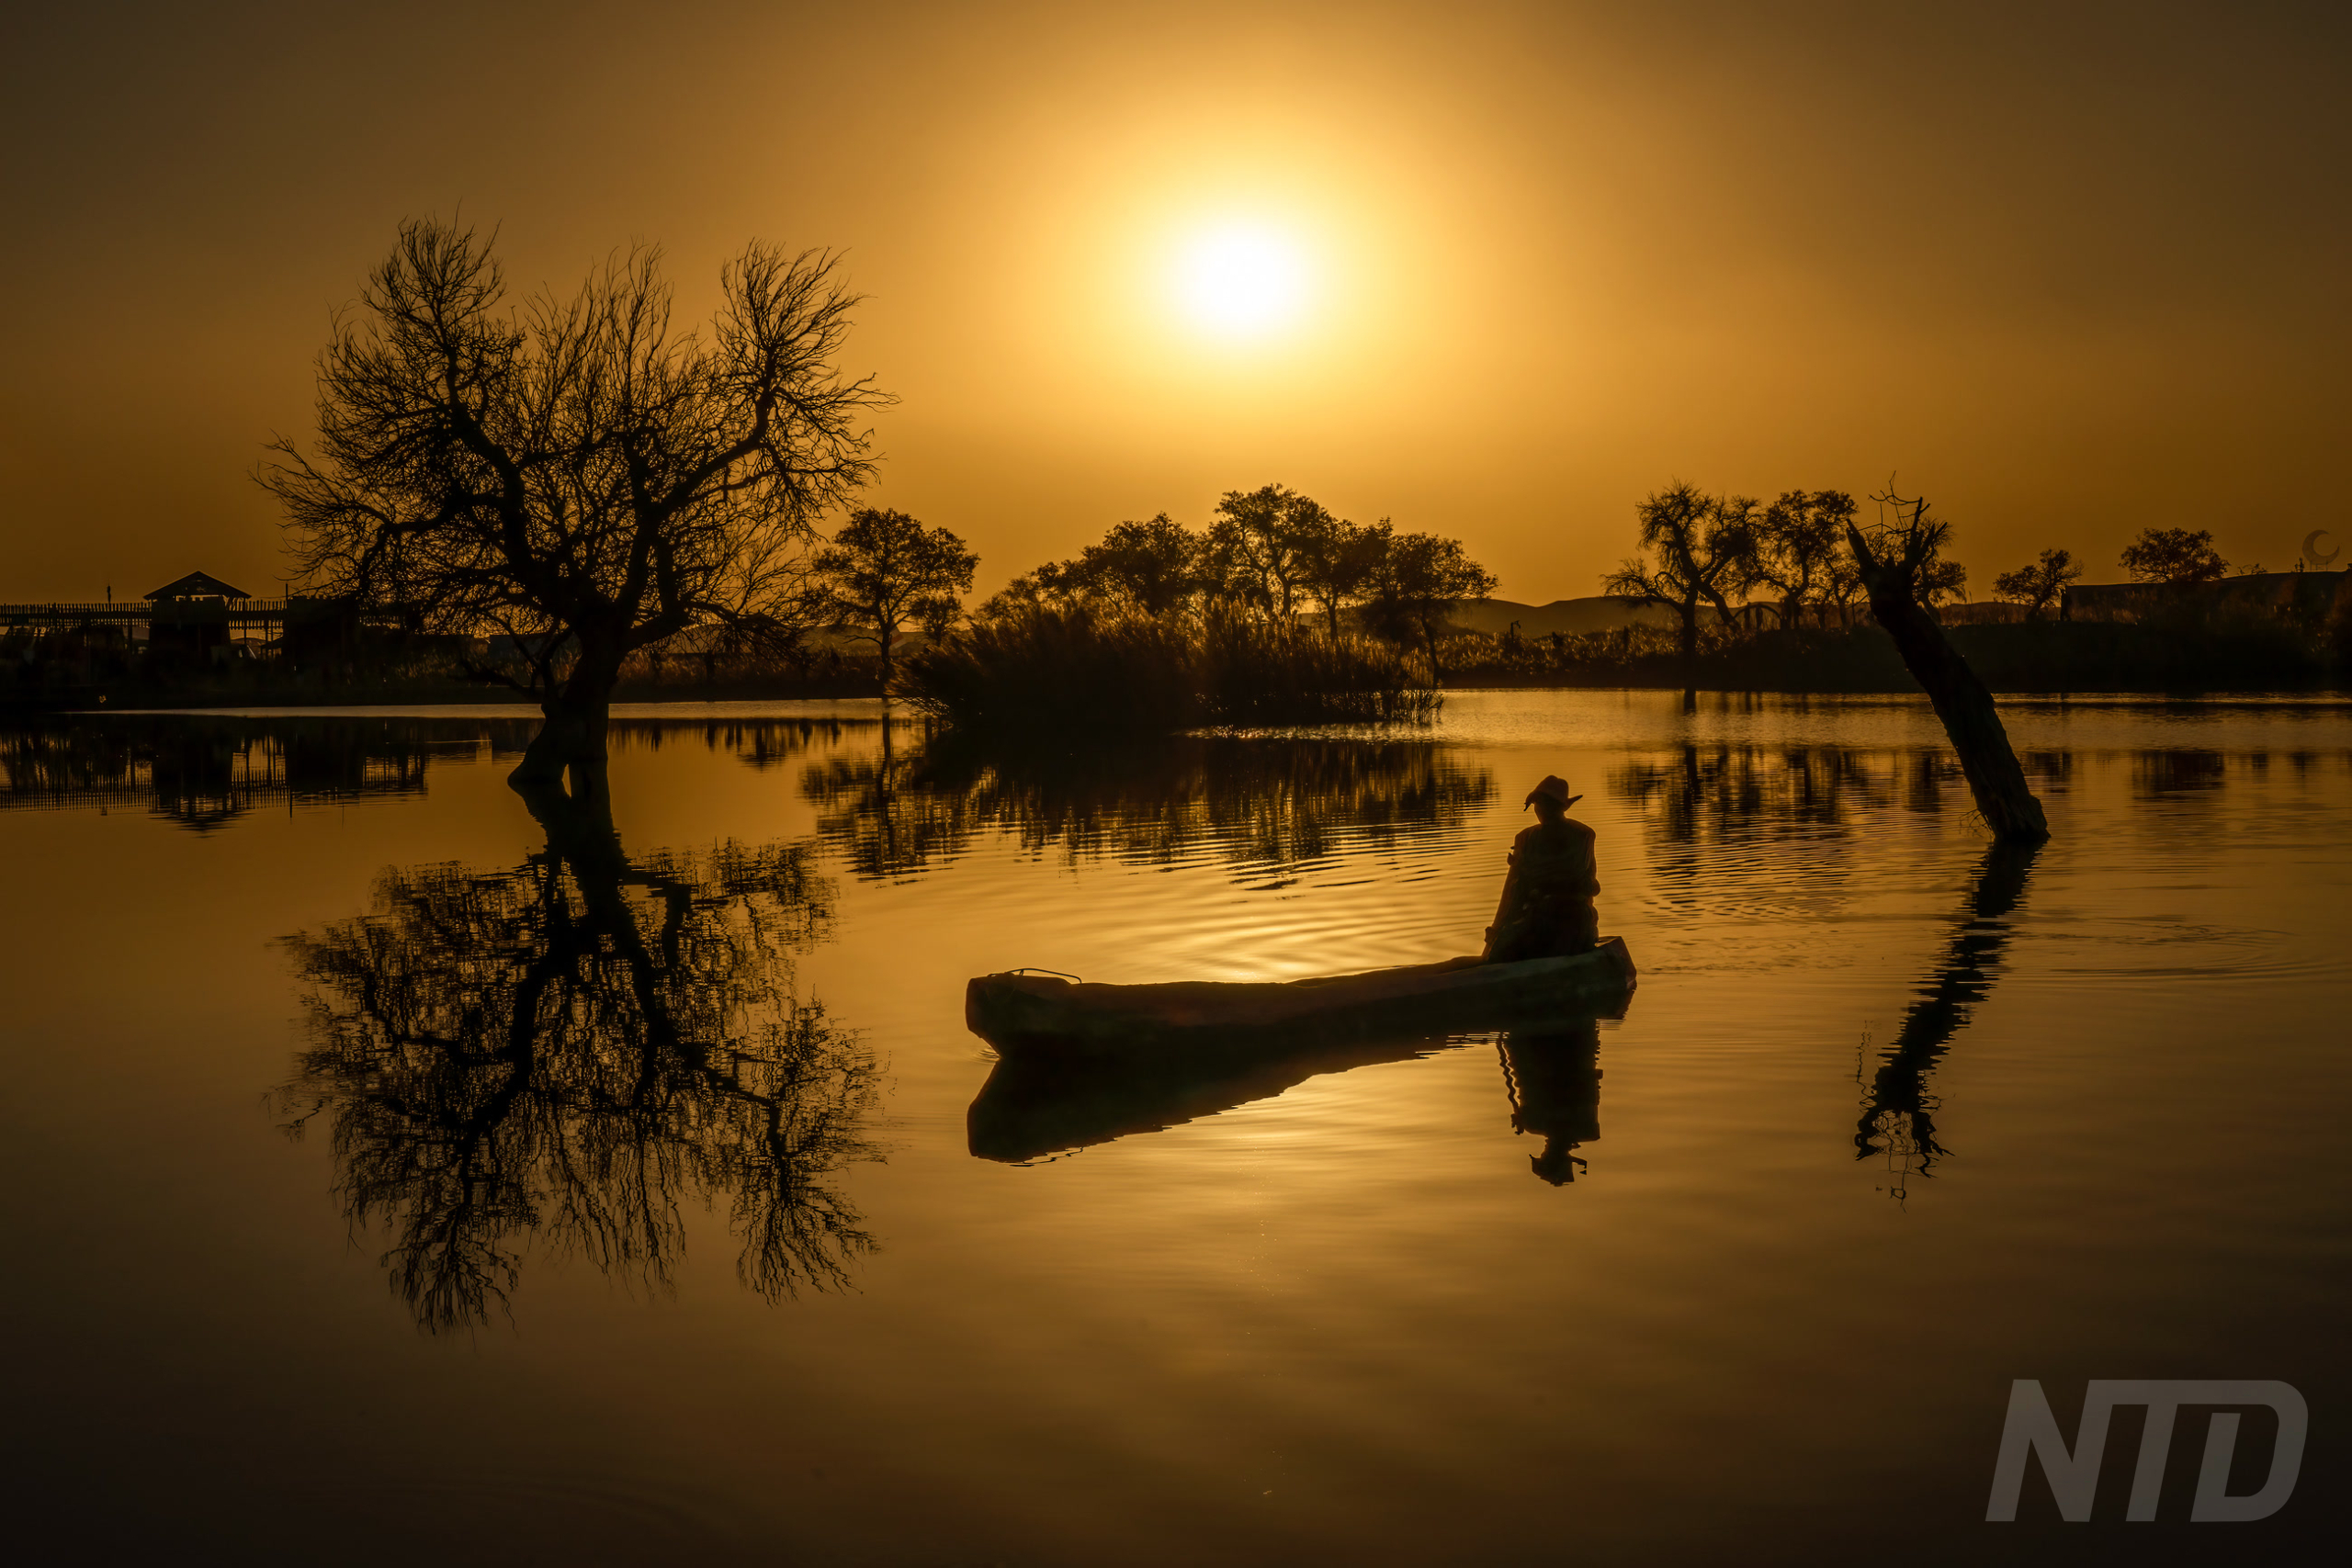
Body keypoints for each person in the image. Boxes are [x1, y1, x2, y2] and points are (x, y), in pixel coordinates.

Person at [1482, 773, 1600, 962]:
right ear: (1563, 807)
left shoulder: (1526, 838)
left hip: (1544, 927)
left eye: (1538, 804)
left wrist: (1496, 934)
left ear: (1539, 806)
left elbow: (1513, 893)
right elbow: (1592, 888)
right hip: (1577, 925)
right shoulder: (1585, 835)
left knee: (1496, 955)